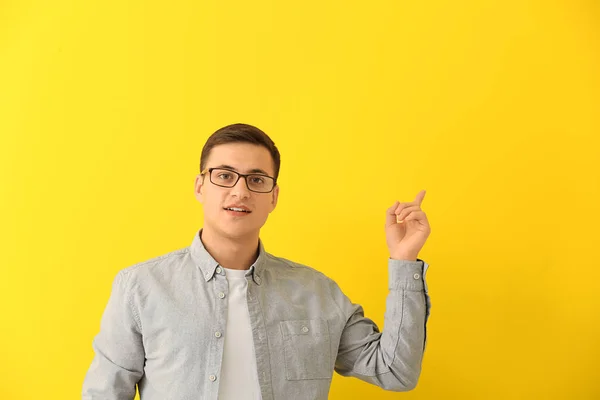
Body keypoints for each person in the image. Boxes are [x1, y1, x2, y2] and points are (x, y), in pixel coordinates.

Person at [82, 123, 432, 400]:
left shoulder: (317, 292)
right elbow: (104, 393)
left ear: (273, 197)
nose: (240, 191)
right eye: (224, 175)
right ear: (200, 186)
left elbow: (395, 372)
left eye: (256, 179)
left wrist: (403, 261)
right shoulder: (141, 288)